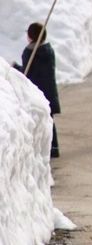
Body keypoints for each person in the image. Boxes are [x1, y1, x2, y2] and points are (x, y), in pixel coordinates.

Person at [14, 22, 61, 158]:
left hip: (37, 92)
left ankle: (41, 148)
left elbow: (26, 73)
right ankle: (54, 147)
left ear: (31, 36)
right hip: (49, 91)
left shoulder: (30, 52)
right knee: (49, 119)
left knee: (38, 120)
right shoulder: (48, 51)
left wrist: (15, 68)